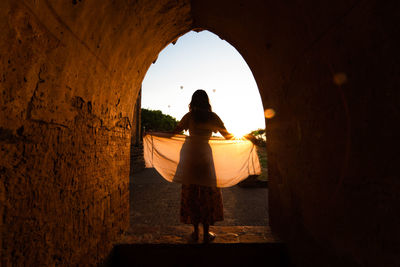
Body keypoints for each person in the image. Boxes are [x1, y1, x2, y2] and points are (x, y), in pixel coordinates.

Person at [174, 89, 233, 243]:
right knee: (207, 191)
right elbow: (228, 135)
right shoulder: (213, 117)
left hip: (190, 155)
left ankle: (195, 232)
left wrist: (154, 134)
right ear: (207, 101)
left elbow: (174, 132)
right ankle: (206, 233)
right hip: (205, 157)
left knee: (192, 191)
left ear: (192, 101)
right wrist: (247, 140)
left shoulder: (189, 116)